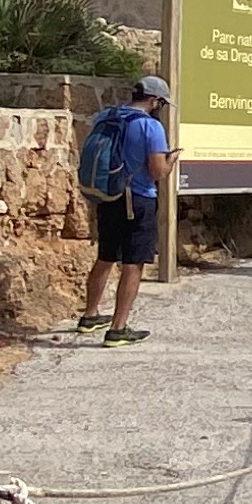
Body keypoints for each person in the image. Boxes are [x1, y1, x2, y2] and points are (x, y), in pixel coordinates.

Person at [72, 75, 176, 343]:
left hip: (108, 194)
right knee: (133, 264)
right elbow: (157, 171)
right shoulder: (150, 127)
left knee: (105, 256)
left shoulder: (106, 116)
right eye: (161, 103)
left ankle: (90, 315)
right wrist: (171, 161)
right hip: (137, 199)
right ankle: (118, 328)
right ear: (154, 101)